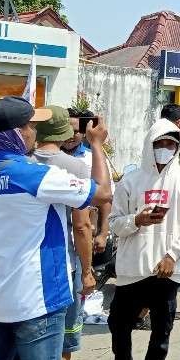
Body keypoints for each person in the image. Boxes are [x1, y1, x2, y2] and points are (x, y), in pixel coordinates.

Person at [0, 96, 112, 360]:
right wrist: (96, 145)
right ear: (19, 133)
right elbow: (104, 193)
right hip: (39, 303)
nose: (34, 132)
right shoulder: (38, 177)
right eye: (31, 125)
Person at [107, 118, 180, 360]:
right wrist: (136, 220)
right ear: (149, 145)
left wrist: (173, 255)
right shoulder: (130, 181)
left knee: (161, 332)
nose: (165, 149)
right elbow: (114, 223)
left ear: (178, 147)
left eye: (170, 144)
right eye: (159, 143)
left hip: (166, 271)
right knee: (119, 327)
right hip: (132, 268)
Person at [32, 105, 98, 360]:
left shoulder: (21, 163)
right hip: (62, 265)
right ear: (64, 132)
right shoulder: (75, 167)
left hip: (26, 265)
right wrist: (87, 270)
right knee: (61, 342)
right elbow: (81, 227)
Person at [64, 108, 112, 257]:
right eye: (66, 131)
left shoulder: (95, 159)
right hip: (59, 238)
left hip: (86, 236)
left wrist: (102, 233)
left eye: (76, 131)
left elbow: (106, 198)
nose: (71, 136)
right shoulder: (47, 160)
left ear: (84, 132)